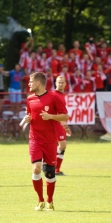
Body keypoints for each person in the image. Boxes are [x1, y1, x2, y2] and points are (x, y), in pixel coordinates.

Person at [24, 72, 68, 211]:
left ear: (38, 83)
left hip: (50, 140)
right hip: (35, 139)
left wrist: (50, 116)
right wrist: (28, 119)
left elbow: (65, 115)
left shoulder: (54, 97)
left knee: (49, 173)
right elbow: (29, 114)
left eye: (31, 81)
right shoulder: (30, 99)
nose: (29, 84)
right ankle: (40, 200)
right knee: (36, 168)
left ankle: (50, 201)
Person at [53, 76, 71, 175]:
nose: (60, 84)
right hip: (55, 124)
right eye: (58, 82)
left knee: (61, 147)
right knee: (62, 145)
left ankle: (56, 170)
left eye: (62, 82)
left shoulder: (61, 95)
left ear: (65, 84)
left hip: (60, 124)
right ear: (55, 83)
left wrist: (65, 124)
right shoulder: (53, 94)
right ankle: (48, 164)